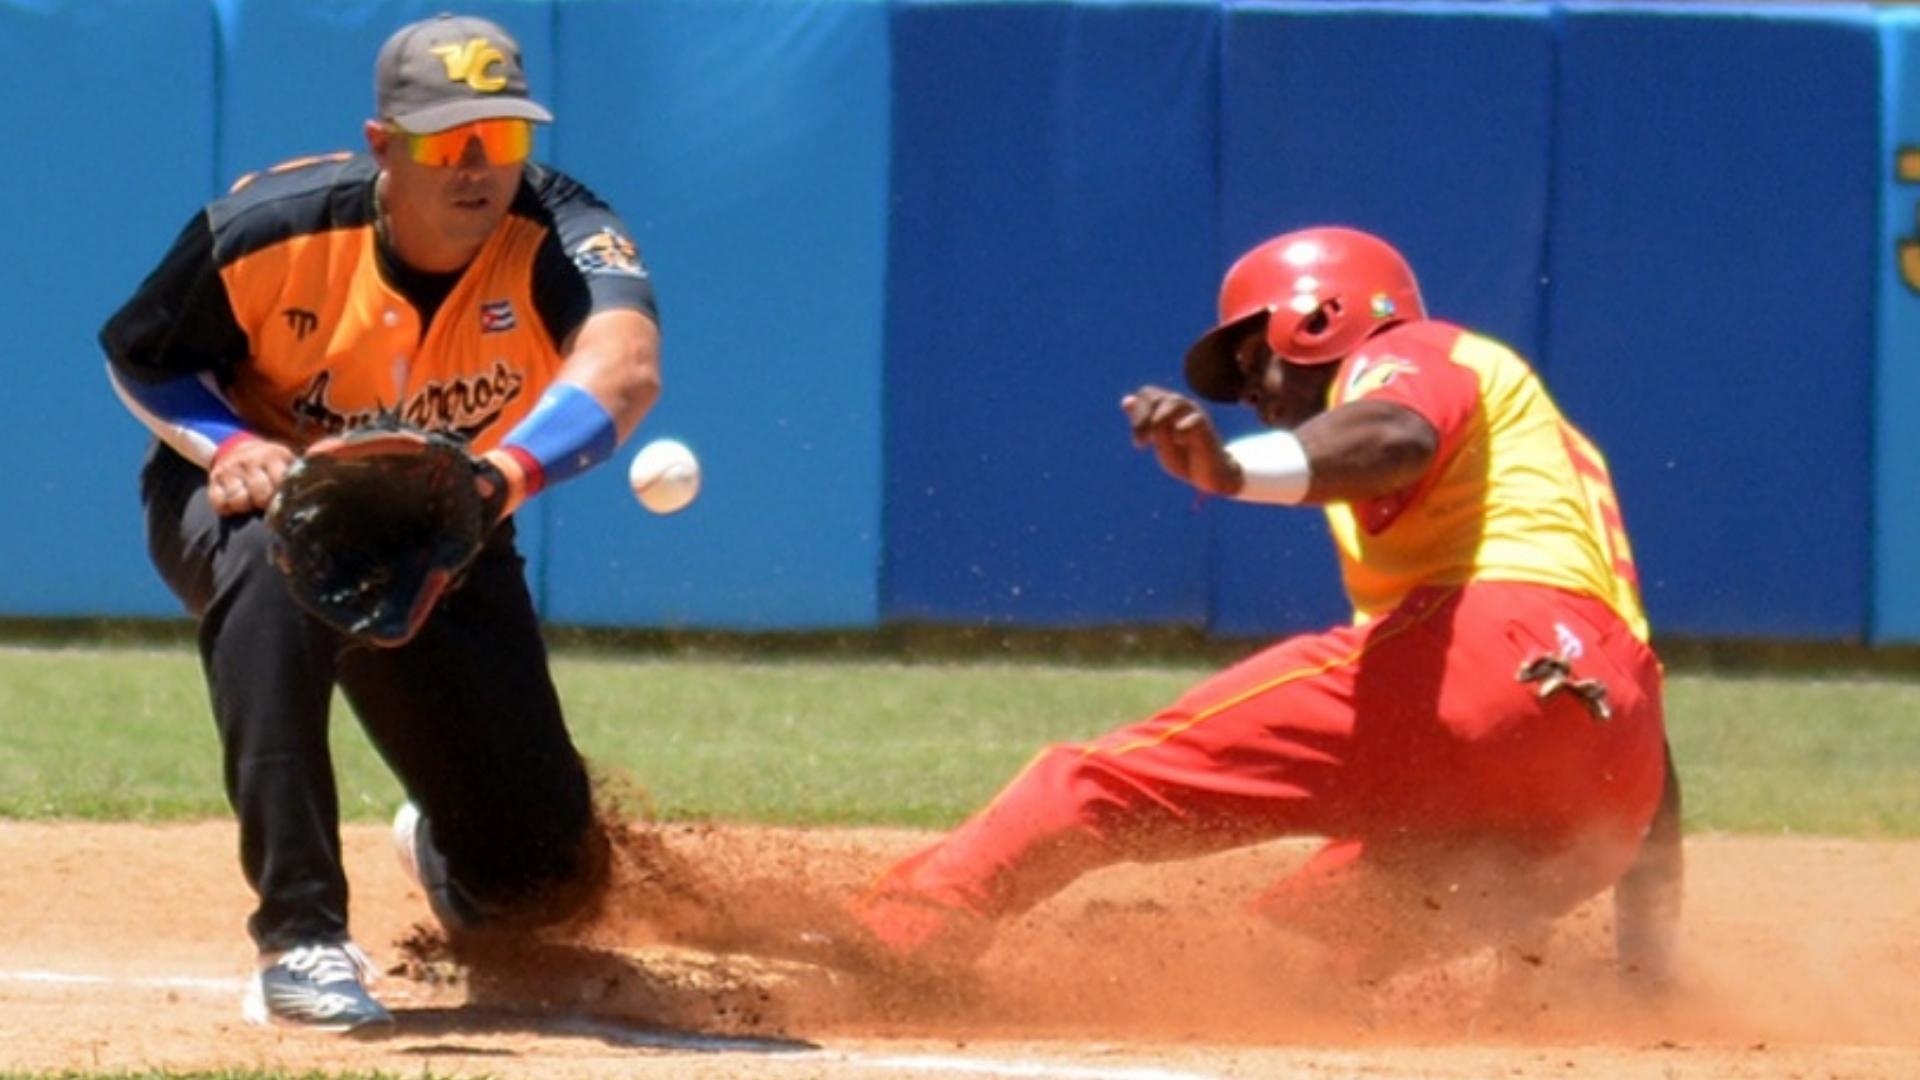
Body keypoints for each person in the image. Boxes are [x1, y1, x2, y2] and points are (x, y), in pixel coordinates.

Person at [832, 225, 1682, 988]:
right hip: (1606, 784)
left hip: (1489, 659)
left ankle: (896, 936)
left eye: (1251, 360)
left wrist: (1235, 470)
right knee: (1273, 964)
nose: (1250, 392)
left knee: (1093, 786)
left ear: (1318, 320)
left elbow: (1396, 436)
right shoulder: (1549, 475)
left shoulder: (1419, 350)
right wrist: (1648, 966)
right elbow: (1629, 727)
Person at [99, 14, 661, 1030]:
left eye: (505, 137)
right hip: (252, 492)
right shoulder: (277, 226)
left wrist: (499, 478)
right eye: (450, 142)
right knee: (277, 563)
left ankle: (451, 851)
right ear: (383, 146)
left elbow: (624, 366)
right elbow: (144, 353)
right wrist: (228, 445)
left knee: (548, 878)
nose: (480, 168)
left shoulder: (562, 234)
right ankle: (301, 936)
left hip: (447, 510)